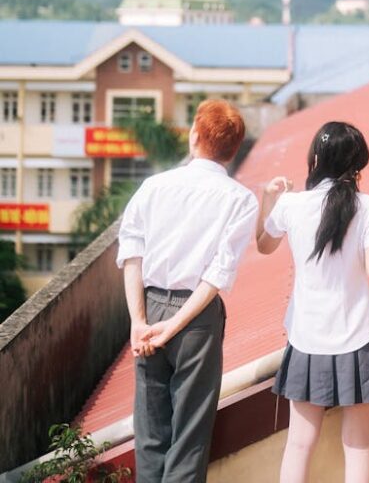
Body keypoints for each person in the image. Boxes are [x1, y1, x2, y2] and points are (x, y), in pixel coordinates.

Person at [116, 99, 258, 483]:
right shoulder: (241, 199)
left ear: (194, 135)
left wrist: (139, 321)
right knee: (190, 432)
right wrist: (176, 324)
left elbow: (132, 252)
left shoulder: (154, 186)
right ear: (234, 149)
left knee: (150, 428)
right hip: (196, 318)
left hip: (150, 306)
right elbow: (217, 274)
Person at [256, 121, 369, 483]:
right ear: (357, 164)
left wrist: (269, 200)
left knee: (300, 444)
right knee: (359, 445)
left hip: (307, 338)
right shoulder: (366, 207)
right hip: (359, 337)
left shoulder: (290, 204)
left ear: (316, 158)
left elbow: (263, 244)